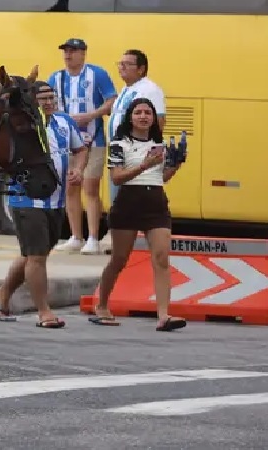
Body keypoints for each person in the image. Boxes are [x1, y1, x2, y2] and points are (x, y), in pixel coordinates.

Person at [0, 81, 87, 328]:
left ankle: (2, 294)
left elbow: (80, 149)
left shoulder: (65, 122)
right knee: (37, 256)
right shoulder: (25, 124)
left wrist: (78, 169)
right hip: (27, 198)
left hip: (56, 200)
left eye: (52, 98)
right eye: (43, 99)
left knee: (34, 254)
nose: (49, 102)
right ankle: (44, 311)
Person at [89, 97, 187, 332]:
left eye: (148, 113)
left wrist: (176, 164)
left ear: (154, 118)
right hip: (128, 204)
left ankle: (163, 314)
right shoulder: (118, 144)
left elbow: (160, 177)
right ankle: (101, 304)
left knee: (162, 257)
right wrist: (144, 164)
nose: (143, 116)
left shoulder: (159, 144)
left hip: (156, 204)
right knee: (120, 259)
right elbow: (116, 177)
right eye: (138, 112)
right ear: (130, 117)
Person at [48, 38, 117, 255]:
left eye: (73, 51)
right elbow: (48, 104)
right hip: (66, 142)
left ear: (83, 53)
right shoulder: (56, 77)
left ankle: (94, 237)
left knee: (90, 187)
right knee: (70, 188)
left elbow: (111, 101)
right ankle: (76, 236)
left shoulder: (97, 74)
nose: (68, 55)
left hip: (93, 140)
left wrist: (91, 115)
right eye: (66, 51)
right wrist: (63, 118)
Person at [106, 49, 166, 208]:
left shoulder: (149, 89)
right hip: (121, 153)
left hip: (134, 155)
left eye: (127, 64)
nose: (121, 67)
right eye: (120, 64)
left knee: (127, 203)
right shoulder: (127, 89)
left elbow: (158, 120)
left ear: (141, 69)